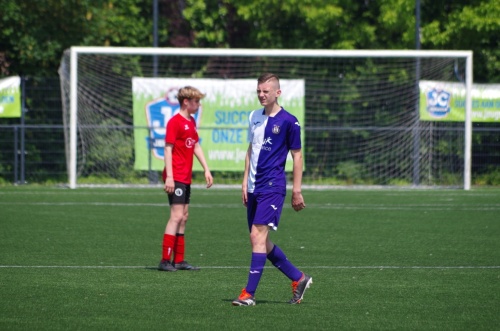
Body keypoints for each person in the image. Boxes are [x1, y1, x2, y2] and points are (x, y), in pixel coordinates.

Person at [232, 73, 312, 306]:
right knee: (259, 242)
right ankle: (299, 278)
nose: (261, 95)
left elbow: (297, 156)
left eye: (266, 91)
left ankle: (249, 294)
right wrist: (244, 181)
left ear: (277, 93)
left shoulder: (289, 121)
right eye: (259, 90)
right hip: (254, 186)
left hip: (273, 186)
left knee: (258, 237)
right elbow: (251, 149)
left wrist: (297, 190)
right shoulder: (254, 117)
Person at [158, 86, 213, 272]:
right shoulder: (175, 122)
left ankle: (179, 260)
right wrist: (170, 177)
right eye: (196, 101)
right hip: (176, 176)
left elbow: (195, 144)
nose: (198, 104)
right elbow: (167, 148)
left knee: (184, 217)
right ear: (186, 102)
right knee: (176, 216)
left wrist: (206, 168)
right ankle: (165, 260)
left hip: (185, 176)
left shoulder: (191, 121)